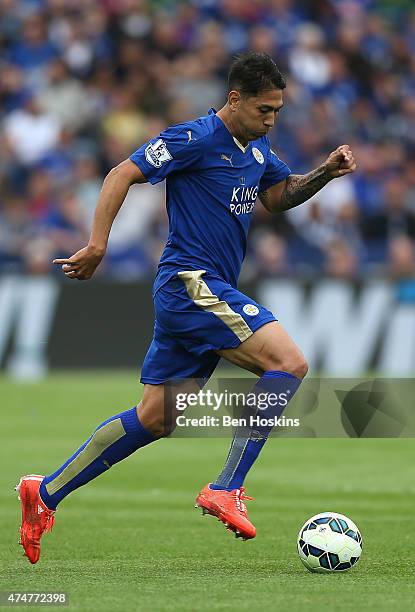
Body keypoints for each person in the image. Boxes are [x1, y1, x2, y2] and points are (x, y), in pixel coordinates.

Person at [17, 52, 356, 564]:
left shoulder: (257, 147)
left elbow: (279, 197)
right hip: (190, 283)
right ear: (234, 98)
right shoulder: (193, 138)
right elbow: (119, 174)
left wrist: (325, 173)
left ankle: (44, 494)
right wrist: (98, 244)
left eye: (278, 111)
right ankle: (227, 487)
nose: (272, 120)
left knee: (156, 417)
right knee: (289, 364)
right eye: (265, 109)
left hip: (201, 289)